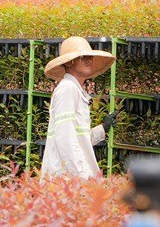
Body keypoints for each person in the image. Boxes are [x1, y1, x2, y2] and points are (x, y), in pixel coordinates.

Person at [40, 36, 117, 180]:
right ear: (69, 62)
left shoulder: (74, 89)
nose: (89, 60)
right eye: (83, 57)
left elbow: (78, 137)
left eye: (90, 56)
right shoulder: (67, 89)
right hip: (67, 179)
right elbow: (64, 137)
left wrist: (103, 129)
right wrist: (82, 175)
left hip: (69, 177)